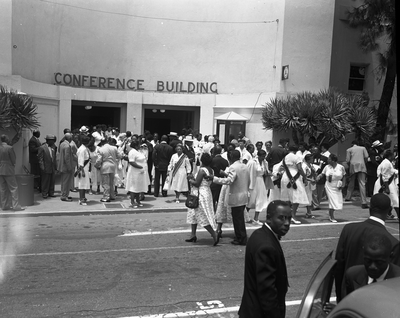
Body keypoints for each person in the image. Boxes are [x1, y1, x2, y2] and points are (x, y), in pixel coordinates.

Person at [334, 193, 400, 302]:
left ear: (370, 208)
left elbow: (338, 268)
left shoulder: (348, 230)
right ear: (389, 211)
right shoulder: (393, 243)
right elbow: (394, 280)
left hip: (348, 300)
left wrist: (340, 300)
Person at [238, 200, 291, 318]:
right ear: (269, 218)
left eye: (289, 218)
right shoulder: (267, 246)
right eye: (281, 218)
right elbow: (267, 293)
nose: (287, 223)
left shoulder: (259, 234)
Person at [210, 150, 250, 245]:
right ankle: (241, 236)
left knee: (237, 219)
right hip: (244, 195)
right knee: (239, 218)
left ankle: (240, 238)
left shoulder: (233, 167)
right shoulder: (245, 166)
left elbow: (229, 181)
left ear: (231, 157)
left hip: (236, 196)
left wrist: (214, 178)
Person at [343, 232, 400, 298]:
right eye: (368, 261)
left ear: (390, 257)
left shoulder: (398, 280)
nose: (372, 267)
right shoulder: (352, 275)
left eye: (379, 262)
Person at [185, 153, 219, 245]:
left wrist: (190, 179)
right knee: (193, 214)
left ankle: (214, 234)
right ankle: (193, 235)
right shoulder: (211, 170)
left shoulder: (202, 170)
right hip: (207, 191)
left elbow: (197, 183)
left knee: (201, 214)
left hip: (200, 193)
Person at [280, 145, 309, 224]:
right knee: (296, 197)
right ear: (296, 151)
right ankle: (293, 216)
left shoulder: (285, 158)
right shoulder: (297, 157)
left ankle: (286, 216)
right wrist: (305, 177)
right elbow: (299, 168)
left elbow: (281, 168)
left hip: (285, 176)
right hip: (294, 177)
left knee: (287, 198)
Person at [316, 154, 346, 222]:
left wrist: (343, 184)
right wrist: (318, 177)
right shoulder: (327, 167)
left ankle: (331, 213)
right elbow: (322, 174)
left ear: (333, 160)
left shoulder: (341, 167)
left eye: (329, 159)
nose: (327, 160)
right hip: (329, 185)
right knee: (332, 200)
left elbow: (344, 176)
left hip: (337, 185)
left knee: (337, 200)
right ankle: (331, 216)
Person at [246, 149, 273, 225]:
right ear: (258, 156)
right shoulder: (252, 162)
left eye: (264, 156)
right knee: (251, 200)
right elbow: (248, 173)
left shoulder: (265, 162)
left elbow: (266, 172)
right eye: (262, 156)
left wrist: (270, 174)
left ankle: (256, 218)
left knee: (261, 199)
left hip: (261, 181)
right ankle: (245, 216)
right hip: (253, 182)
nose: (263, 158)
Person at [0, 134, 24, 211]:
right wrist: (12, 165)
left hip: (1, 170)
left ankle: (4, 205)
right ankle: (15, 206)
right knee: (13, 188)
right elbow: (13, 159)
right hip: (9, 170)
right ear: (6, 139)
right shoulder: (9, 148)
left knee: (3, 189)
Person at [373, 150, 399, 220]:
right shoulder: (386, 163)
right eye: (392, 155)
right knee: (395, 200)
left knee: (390, 200)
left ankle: (387, 214)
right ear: (389, 156)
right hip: (385, 183)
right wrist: (386, 187)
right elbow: (384, 175)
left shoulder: (386, 162)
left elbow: (392, 171)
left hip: (386, 182)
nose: (394, 156)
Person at [344, 140, 369, 209]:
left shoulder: (349, 150)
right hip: (362, 166)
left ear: (352, 144)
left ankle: (348, 197)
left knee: (351, 182)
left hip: (353, 166)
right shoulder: (363, 148)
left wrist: (350, 166)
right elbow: (366, 157)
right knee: (362, 184)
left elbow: (348, 160)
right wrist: (364, 162)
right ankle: (364, 201)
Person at [125, 140, 150, 208]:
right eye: (139, 144)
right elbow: (132, 162)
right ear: (136, 145)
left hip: (139, 173)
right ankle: (132, 202)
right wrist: (140, 167)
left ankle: (138, 201)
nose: (140, 146)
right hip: (134, 172)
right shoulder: (132, 152)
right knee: (133, 187)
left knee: (138, 187)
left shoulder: (138, 151)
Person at [37, 134, 57, 199]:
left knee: (52, 180)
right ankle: (44, 193)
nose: (54, 142)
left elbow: (54, 157)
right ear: (48, 140)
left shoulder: (54, 147)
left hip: (52, 166)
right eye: (53, 140)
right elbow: (40, 159)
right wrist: (42, 167)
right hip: (45, 166)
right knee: (45, 181)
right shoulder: (42, 147)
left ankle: (51, 192)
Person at [210, 145, 229, 211]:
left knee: (212, 199)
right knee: (220, 200)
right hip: (222, 182)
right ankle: (219, 214)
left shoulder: (212, 160)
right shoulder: (225, 161)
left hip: (213, 180)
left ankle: (213, 213)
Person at [58, 133, 75, 202]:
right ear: (70, 139)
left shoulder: (62, 144)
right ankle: (64, 196)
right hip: (66, 167)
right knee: (66, 182)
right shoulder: (67, 146)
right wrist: (69, 167)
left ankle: (64, 194)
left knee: (63, 182)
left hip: (62, 166)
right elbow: (67, 158)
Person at [75, 136, 91, 206]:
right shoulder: (82, 149)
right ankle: (81, 199)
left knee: (84, 185)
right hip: (82, 169)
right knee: (82, 184)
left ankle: (83, 197)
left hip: (85, 168)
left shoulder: (85, 148)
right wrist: (82, 171)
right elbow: (80, 161)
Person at [302, 154, 317, 218]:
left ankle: (309, 212)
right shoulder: (304, 166)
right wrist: (311, 179)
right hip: (305, 183)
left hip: (309, 183)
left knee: (309, 198)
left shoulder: (310, 166)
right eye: (311, 158)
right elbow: (303, 176)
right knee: (306, 197)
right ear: (308, 159)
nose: (312, 160)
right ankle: (308, 212)